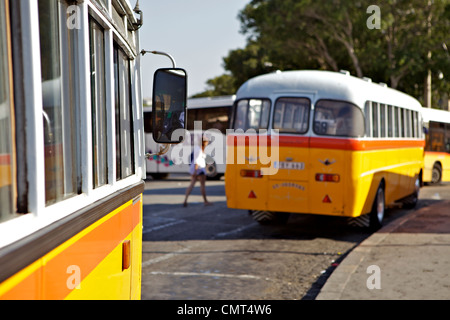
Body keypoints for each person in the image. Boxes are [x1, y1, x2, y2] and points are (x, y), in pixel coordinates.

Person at [183, 138, 213, 207]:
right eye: (207, 142)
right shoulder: (199, 150)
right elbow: (197, 161)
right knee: (202, 186)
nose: (207, 143)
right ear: (204, 142)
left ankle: (185, 200)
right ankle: (205, 201)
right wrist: (195, 172)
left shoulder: (199, 148)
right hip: (200, 170)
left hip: (196, 170)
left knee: (191, 185)